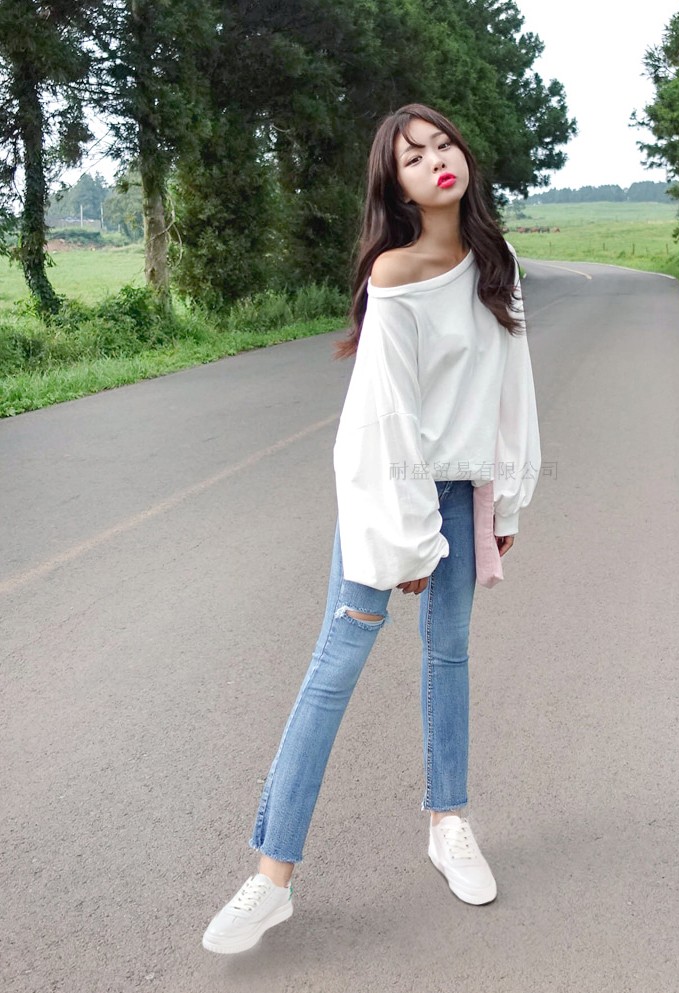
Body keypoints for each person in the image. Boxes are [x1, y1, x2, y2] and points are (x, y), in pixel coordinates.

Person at [201, 102, 541, 955]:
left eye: (443, 144)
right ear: (396, 186)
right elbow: (383, 420)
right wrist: (409, 533)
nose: (435, 160)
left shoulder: (496, 263)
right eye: (412, 157)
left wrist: (504, 500)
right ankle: (271, 877)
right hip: (388, 493)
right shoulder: (394, 273)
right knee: (336, 664)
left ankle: (448, 822)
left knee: (448, 652)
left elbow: (514, 389)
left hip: (462, 490)